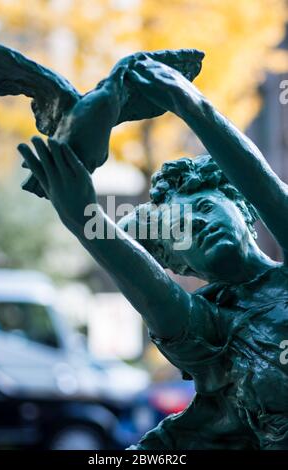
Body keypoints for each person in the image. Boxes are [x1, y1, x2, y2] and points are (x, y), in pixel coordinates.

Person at [18, 58, 288, 450]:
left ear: (242, 208)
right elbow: (156, 295)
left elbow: (267, 190)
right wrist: (83, 217)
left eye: (207, 208)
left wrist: (190, 104)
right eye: (181, 232)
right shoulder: (217, 329)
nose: (198, 225)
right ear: (181, 265)